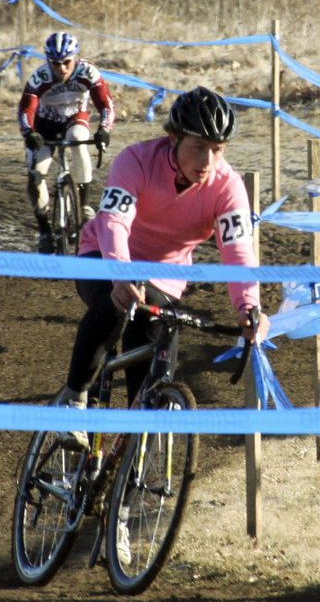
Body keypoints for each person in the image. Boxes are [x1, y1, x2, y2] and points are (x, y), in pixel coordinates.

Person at [54, 85, 271, 451]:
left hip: (163, 279)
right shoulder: (136, 161)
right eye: (198, 147)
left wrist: (248, 307)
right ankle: (73, 400)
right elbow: (114, 223)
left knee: (148, 375)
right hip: (104, 256)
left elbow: (237, 250)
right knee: (114, 304)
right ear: (173, 138)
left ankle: (124, 477)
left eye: (217, 150)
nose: (207, 160)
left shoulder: (228, 186)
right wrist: (120, 274)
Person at [18, 32, 116, 254]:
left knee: (79, 140)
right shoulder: (40, 77)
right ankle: (44, 230)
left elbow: (106, 104)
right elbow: (25, 109)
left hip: (74, 119)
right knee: (36, 173)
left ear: (76, 58)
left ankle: (83, 205)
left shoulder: (88, 72)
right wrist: (29, 132)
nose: (61, 68)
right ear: (48, 61)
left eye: (66, 62)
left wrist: (104, 129)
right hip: (44, 126)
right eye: (55, 63)